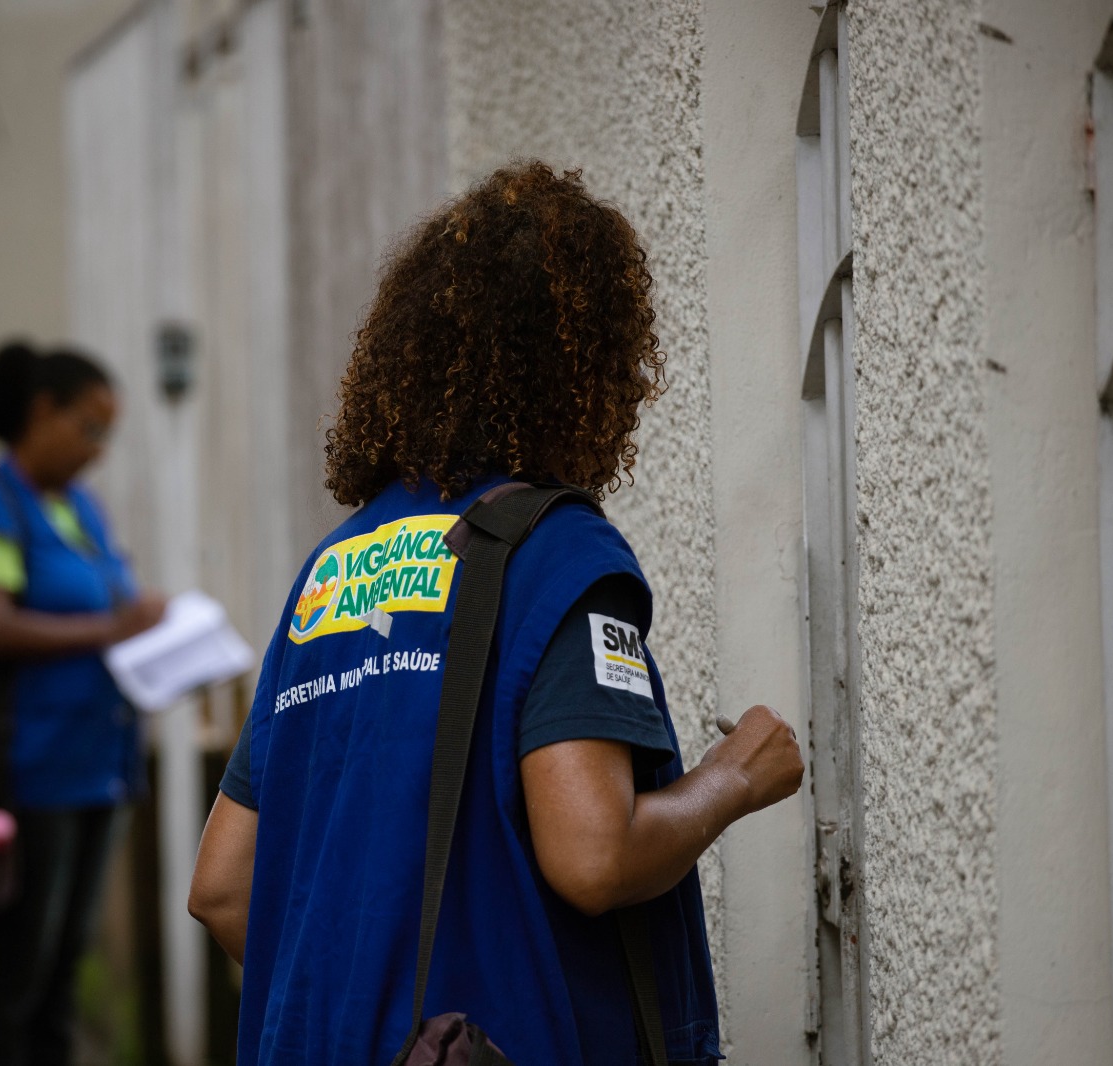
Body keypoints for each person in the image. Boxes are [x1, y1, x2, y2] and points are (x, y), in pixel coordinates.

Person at [189, 162, 805, 1065]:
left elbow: (224, 888)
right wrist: (733, 780)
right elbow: (593, 854)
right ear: (587, 370)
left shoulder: (332, 573)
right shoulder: (557, 557)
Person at [0, 341, 164, 1066]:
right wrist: (111, 629)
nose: (97, 451)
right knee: (18, 971)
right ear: (41, 411)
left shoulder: (80, 510)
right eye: (88, 428)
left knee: (63, 972)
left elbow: (117, 605)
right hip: (30, 777)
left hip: (100, 768)